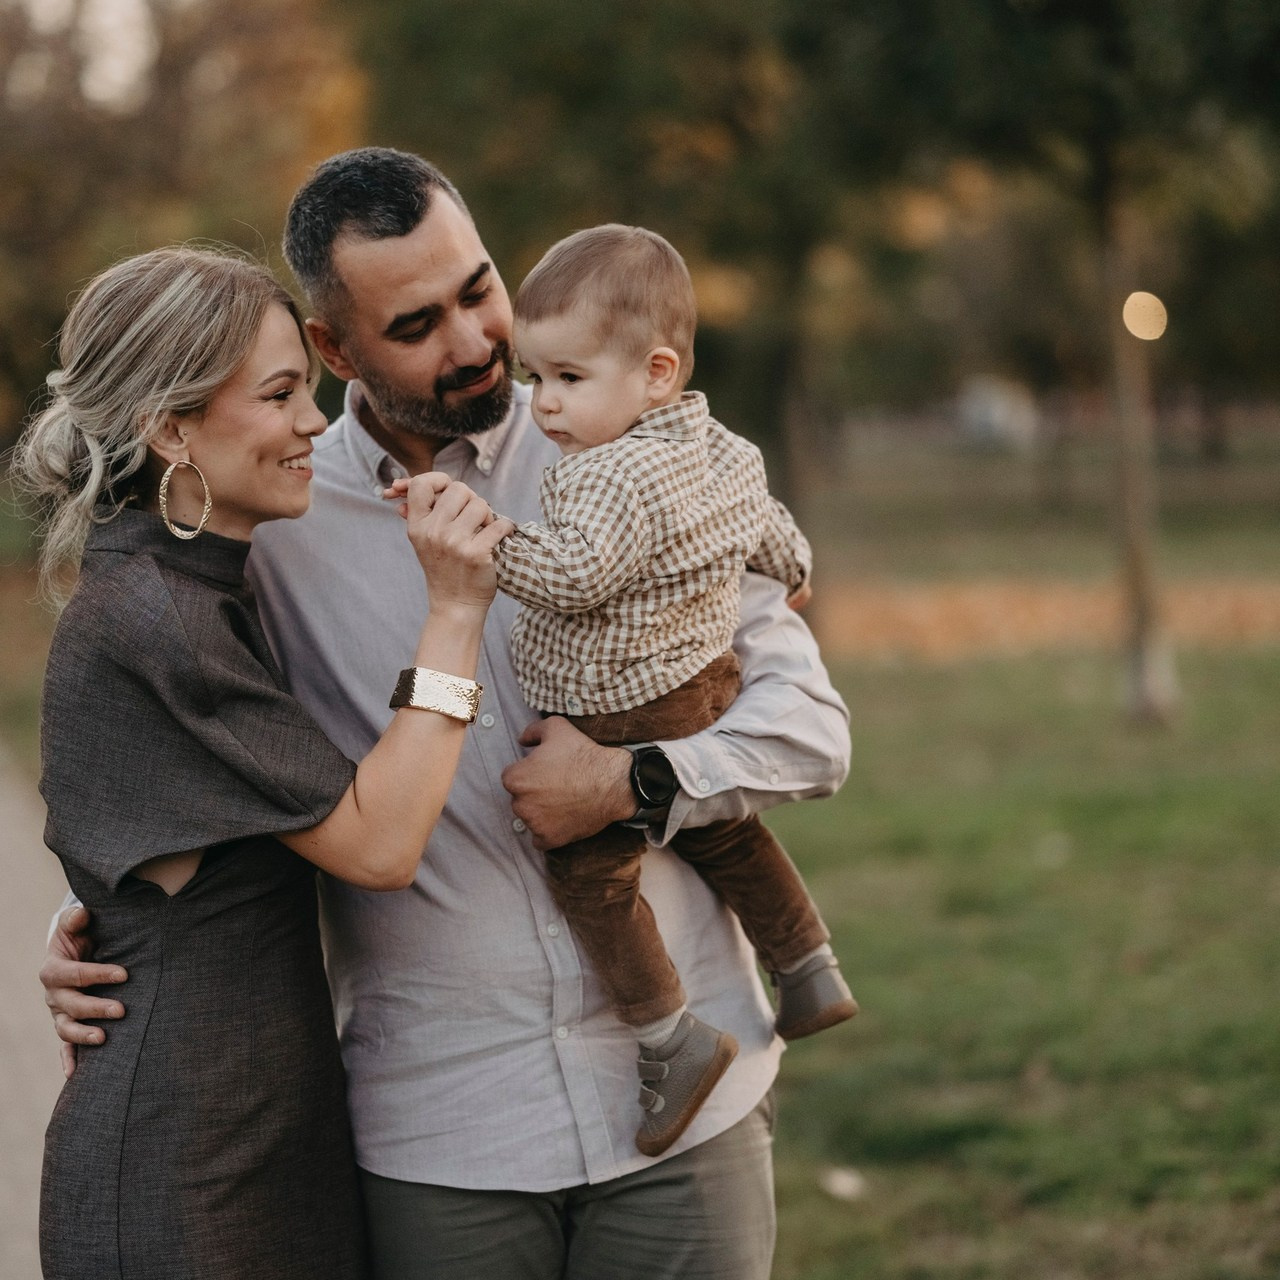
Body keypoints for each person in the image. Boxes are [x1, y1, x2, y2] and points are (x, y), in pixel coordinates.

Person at [41, 149, 852, 1280]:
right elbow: (200, 732)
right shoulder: (276, 523)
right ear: (334, 350)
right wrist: (120, 911)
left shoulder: (642, 451)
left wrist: (636, 785)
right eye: (416, 325)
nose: (473, 342)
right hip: (442, 1136)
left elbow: (811, 731)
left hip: (692, 1113)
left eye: (479, 291)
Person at [18, 245, 509, 1279]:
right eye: (280, 394)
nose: (314, 423)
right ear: (170, 427)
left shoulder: (195, 588)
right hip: (188, 1174)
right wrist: (455, 612)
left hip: (257, 1136)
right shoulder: (159, 615)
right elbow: (379, 844)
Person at [405, 223, 858, 1159]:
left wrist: (484, 539)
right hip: (704, 685)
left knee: (591, 877)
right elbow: (770, 530)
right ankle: (808, 962)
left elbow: (575, 576)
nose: (542, 403)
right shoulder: (723, 447)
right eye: (535, 377)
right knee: (727, 830)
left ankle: (669, 1038)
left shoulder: (603, 474)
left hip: (620, 707)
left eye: (568, 379)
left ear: (656, 373)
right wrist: (794, 570)